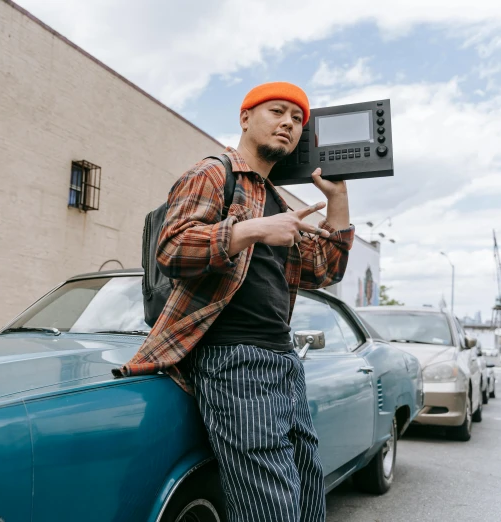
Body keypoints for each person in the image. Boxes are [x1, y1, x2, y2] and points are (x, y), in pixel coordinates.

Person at [117, 82, 354, 521]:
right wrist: (253, 230)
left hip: (283, 359)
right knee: (270, 508)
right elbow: (171, 248)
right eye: (277, 111)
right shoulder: (213, 173)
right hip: (234, 360)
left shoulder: (276, 199)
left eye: (297, 118)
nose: (288, 123)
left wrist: (337, 199)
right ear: (245, 118)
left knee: (306, 496)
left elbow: (324, 271)